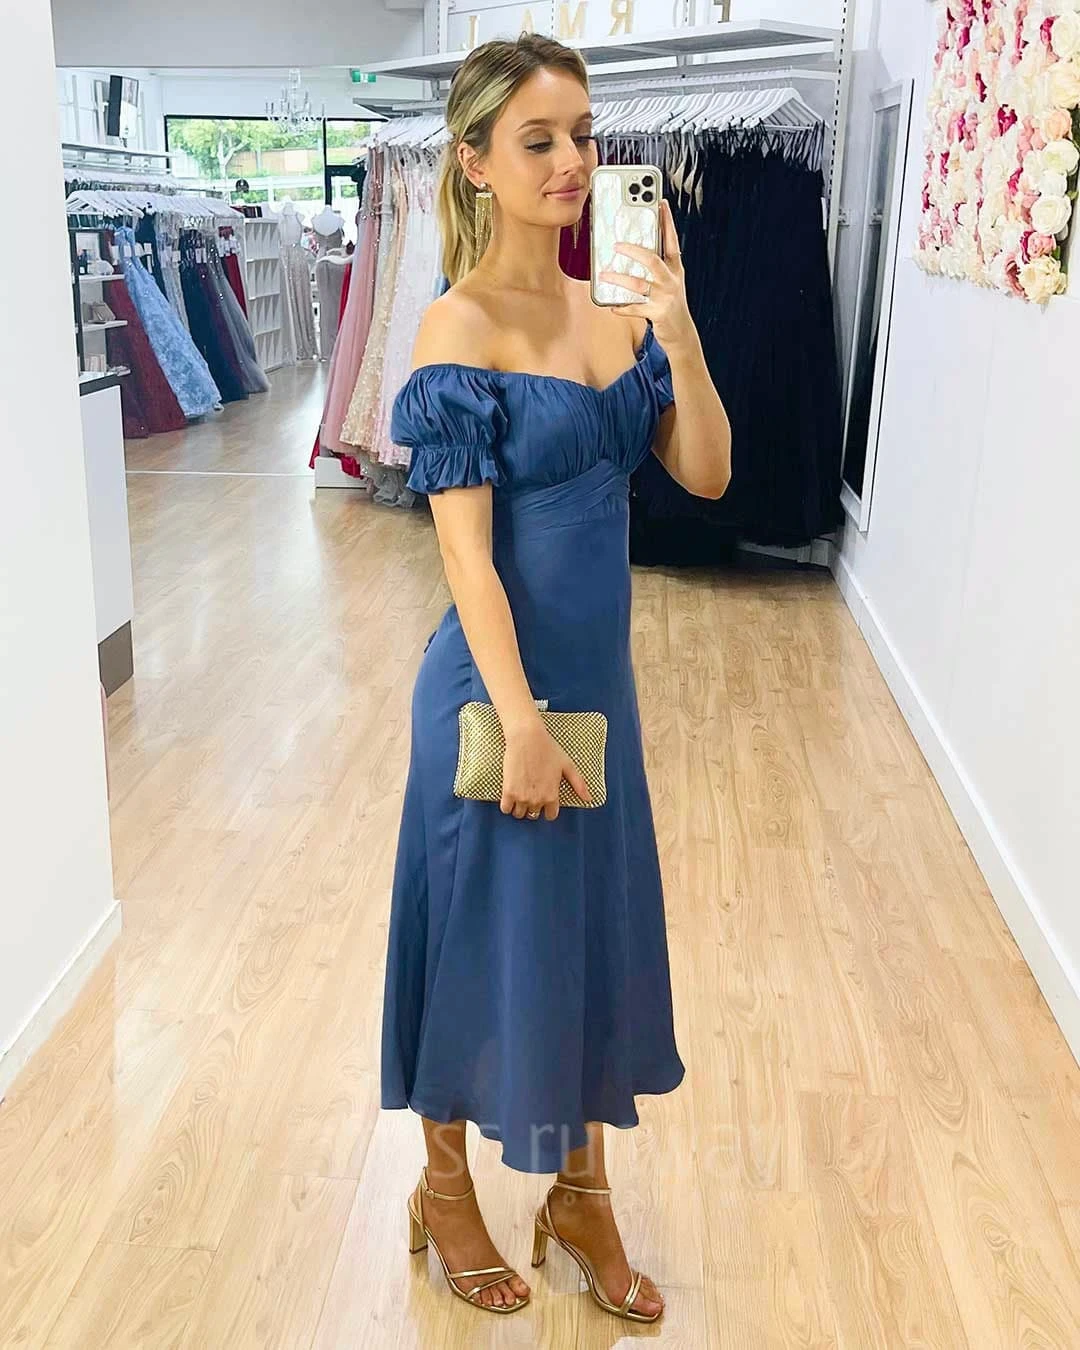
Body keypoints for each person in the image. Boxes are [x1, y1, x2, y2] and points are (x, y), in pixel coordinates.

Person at [379, 32, 732, 1322]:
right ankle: (442, 1185)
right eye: (537, 140)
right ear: (475, 162)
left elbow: (708, 474)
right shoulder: (456, 327)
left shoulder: (619, 314)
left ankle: (581, 1193)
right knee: (476, 926)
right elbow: (466, 559)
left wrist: (679, 329)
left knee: (585, 929)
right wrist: (520, 720)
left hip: (602, 691)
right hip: (493, 693)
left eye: (583, 134)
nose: (572, 161)